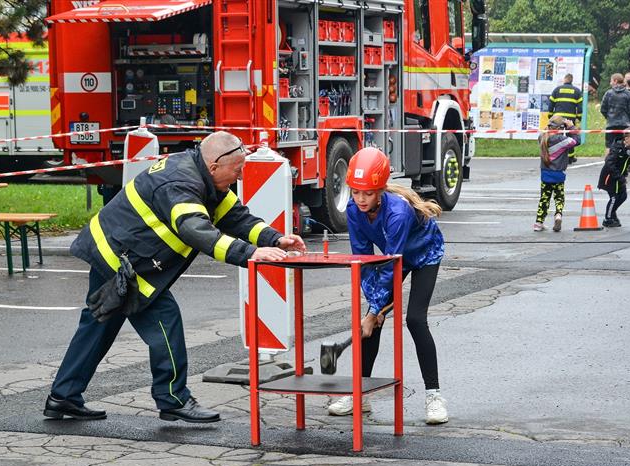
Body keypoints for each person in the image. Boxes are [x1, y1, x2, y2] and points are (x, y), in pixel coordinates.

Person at [43, 131, 306, 422]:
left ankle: (63, 396)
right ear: (215, 166)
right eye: (237, 170)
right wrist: (251, 253)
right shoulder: (181, 184)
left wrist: (274, 239)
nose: (241, 176)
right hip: (123, 261)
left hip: (119, 254)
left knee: (98, 325)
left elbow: (236, 218)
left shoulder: (203, 176)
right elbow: (196, 231)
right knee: (165, 321)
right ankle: (173, 398)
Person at [325, 147, 448, 424]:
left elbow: (392, 264)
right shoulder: (354, 210)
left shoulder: (398, 212)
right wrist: (373, 310)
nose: (361, 199)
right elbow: (364, 261)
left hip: (424, 254)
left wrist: (374, 311)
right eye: (356, 192)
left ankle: (434, 397)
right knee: (373, 324)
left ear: (380, 189)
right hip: (395, 257)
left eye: (368, 193)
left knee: (415, 319)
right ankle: (360, 394)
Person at [534, 115, 580, 232]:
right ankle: (558, 215)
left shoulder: (542, 137)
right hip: (558, 173)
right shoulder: (562, 140)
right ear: (560, 128)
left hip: (545, 173)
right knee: (559, 197)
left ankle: (539, 223)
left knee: (544, 198)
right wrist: (571, 127)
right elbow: (576, 141)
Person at [598, 128, 630, 227]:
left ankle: (612, 213)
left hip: (620, 177)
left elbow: (626, 163)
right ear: (626, 139)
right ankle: (608, 219)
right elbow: (609, 163)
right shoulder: (617, 149)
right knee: (614, 197)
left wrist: (624, 174)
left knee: (623, 196)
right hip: (610, 177)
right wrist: (619, 176)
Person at [549, 73, 583, 163]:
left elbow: (551, 104)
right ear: (572, 80)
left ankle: (557, 156)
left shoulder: (557, 89)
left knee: (557, 136)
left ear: (564, 79)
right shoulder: (577, 91)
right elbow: (580, 107)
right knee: (570, 137)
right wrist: (579, 118)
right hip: (570, 118)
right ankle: (570, 158)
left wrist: (550, 116)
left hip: (558, 118)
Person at [600, 73, 630, 153]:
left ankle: (608, 160)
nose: (610, 83)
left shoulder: (608, 93)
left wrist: (609, 117)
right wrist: (627, 119)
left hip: (611, 124)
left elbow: (603, 109)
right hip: (624, 124)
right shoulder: (628, 93)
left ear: (615, 81)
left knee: (609, 146)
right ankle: (624, 161)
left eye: (611, 81)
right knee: (625, 145)